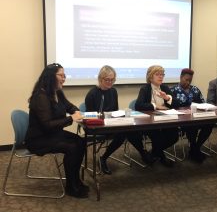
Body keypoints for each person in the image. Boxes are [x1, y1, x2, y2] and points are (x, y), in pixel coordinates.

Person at [25, 63, 88, 198]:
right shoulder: (40, 96)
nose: (64, 78)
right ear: (50, 77)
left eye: (64, 75)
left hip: (53, 134)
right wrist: (71, 118)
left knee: (81, 142)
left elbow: (69, 106)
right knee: (72, 147)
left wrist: (76, 111)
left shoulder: (56, 92)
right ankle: (71, 186)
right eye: (61, 75)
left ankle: (75, 180)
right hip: (39, 139)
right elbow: (47, 125)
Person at [85, 65, 154, 175]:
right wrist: (103, 116)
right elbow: (89, 115)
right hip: (98, 126)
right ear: (100, 79)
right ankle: (103, 158)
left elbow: (115, 110)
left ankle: (143, 153)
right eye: (107, 80)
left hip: (112, 123)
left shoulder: (113, 91)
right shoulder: (92, 93)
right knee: (122, 133)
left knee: (132, 129)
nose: (110, 82)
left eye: (112, 80)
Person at [135, 65, 180, 167]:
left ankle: (153, 153)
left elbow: (177, 104)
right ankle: (162, 158)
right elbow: (138, 105)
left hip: (165, 120)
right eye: (157, 74)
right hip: (149, 122)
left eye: (162, 74)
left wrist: (167, 98)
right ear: (151, 77)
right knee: (157, 137)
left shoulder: (164, 87)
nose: (161, 77)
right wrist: (156, 106)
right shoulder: (145, 89)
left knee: (174, 136)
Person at [171, 68, 213, 163]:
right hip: (181, 120)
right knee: (192, 126)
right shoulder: (173, 90)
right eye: (186, 80)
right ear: (181, 77)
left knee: (210, 124)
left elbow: (202, 103)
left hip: (196, 117)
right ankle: (195, 150)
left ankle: (195, 147)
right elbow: (170, 107)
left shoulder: (195, 89)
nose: (188, 82)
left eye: (190, 80)